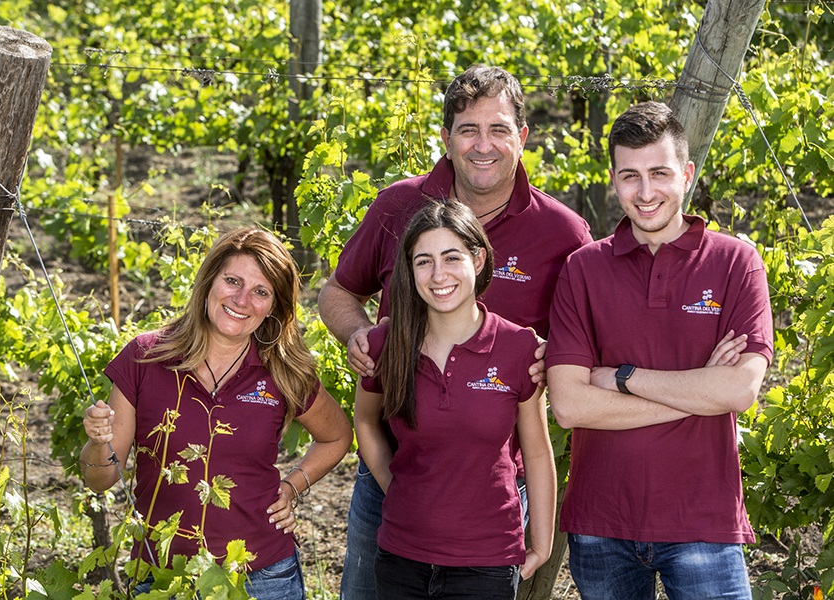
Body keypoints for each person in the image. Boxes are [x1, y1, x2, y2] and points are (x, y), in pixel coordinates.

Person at [319, 64, 591, 599]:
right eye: (468, 130)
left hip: (489, 482)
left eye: (498, 129)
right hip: (392, 468)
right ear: (446, 139)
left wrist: (549, 356)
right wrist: (357, 336)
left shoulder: (562, 232)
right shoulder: (400, 204)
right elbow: (337, 293)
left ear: (523, 137)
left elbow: (590, 334)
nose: (482, 145)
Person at [544, 101, 773, 599]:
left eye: (660, 173)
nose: (646, 193)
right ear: (613, 179)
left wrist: (623, 377)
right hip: (602, 522)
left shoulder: (737, 263)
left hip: (704, 521)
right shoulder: (583, 270)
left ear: (687, 174)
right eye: (630, 176)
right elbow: (569, 405)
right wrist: (696, 390)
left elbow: (739, 389)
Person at [80, 227, 353, 599]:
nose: (242, 300)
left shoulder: (283, 370)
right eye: (232, 281)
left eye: (261, 291)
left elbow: (337, 435)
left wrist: (292, 487)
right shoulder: (146, 357)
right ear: (209, 281)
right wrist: (98, 442)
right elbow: (100, 479)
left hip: (263, 577)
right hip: (163, 577)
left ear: (274, 306)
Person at [353, 200, 556, 599]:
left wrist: (542, 541)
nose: (438, 274)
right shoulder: (385, 345)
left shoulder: (517, 347)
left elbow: (535, 451)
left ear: (477, 259)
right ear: (409, 272)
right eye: (423, 261)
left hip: (486, 561)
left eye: (451, 257)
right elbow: (365, 421)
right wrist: (395, 488)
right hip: (400, 556)